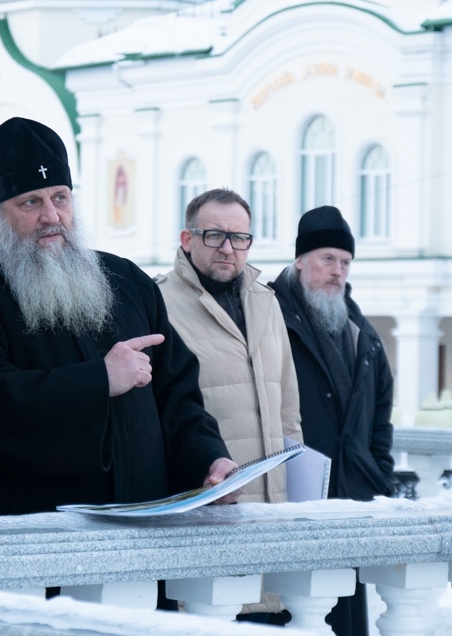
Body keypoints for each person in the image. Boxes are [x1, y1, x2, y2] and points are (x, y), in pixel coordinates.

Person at [0, 117, 237, 519]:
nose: (52, 216)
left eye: (60, 198)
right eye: (31, 202)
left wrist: (208, 460)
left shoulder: (127, 280)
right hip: (34, 534)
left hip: (145, 523)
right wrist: (99, 380)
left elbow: (177, 397)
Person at [155, 188, 303, 625]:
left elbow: (288, 410)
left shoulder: (267, 302)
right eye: (214, 235)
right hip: (206, 509)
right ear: (187, 239)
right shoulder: (159, 304)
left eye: (239, 237)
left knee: (268, 618)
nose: (227, 248)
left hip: (271, 515)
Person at [269, 205, 394, 636]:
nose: (337, 271)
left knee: (344, 617)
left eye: (345, 262)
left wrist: (377, 475)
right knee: (292, 614)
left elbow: (380, 419)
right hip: (290, 502)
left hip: (350, 503)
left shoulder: (361, 332)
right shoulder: (269, 316)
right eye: (327, 259)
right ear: (300, 260)